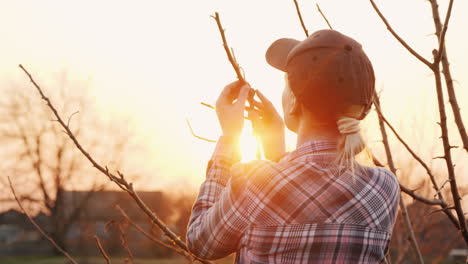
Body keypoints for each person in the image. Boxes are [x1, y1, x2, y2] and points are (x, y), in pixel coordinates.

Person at [186, 29, 400, 263]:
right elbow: (305, 198)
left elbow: (201, 243)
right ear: (363, 109)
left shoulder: (254, 183)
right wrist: (275, 147)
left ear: (294, 102)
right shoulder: (384, 188)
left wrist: (229, 139)